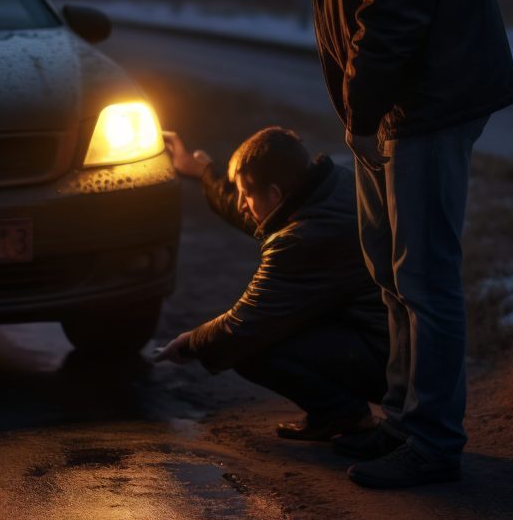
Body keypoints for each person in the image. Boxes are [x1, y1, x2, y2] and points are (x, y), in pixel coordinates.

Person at [239, 0, 513, 488]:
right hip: (394, 104)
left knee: (423, 275)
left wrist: (362, 114)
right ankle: (401, 419)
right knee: (391, 272)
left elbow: (394, 4)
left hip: (427, 99)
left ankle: (433, 441)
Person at [155, 127, 389, 441]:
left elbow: (243, 326)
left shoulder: (301, 241)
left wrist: (190, 342)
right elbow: (255, 215)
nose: (240, 204)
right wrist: (203, 172)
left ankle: (342, 415)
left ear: (276, 194)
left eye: (245, 194)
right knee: (262, 329)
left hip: (386, 364)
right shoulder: (333, 187)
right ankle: (340, 413)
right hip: (386, 342)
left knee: (249, 345)